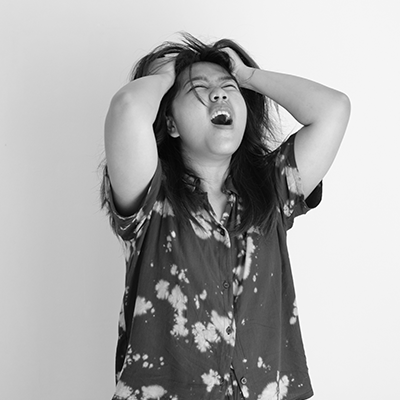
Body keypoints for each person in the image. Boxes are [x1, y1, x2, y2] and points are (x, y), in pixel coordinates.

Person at [101, 33, 350, 400]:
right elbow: (127, 107)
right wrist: (168, 74)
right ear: (171, 123)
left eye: (228, 88)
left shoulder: (272, 190)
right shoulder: (151, 197)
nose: (218, 95)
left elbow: (333, 110)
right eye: (199, 89)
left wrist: (248, 76)